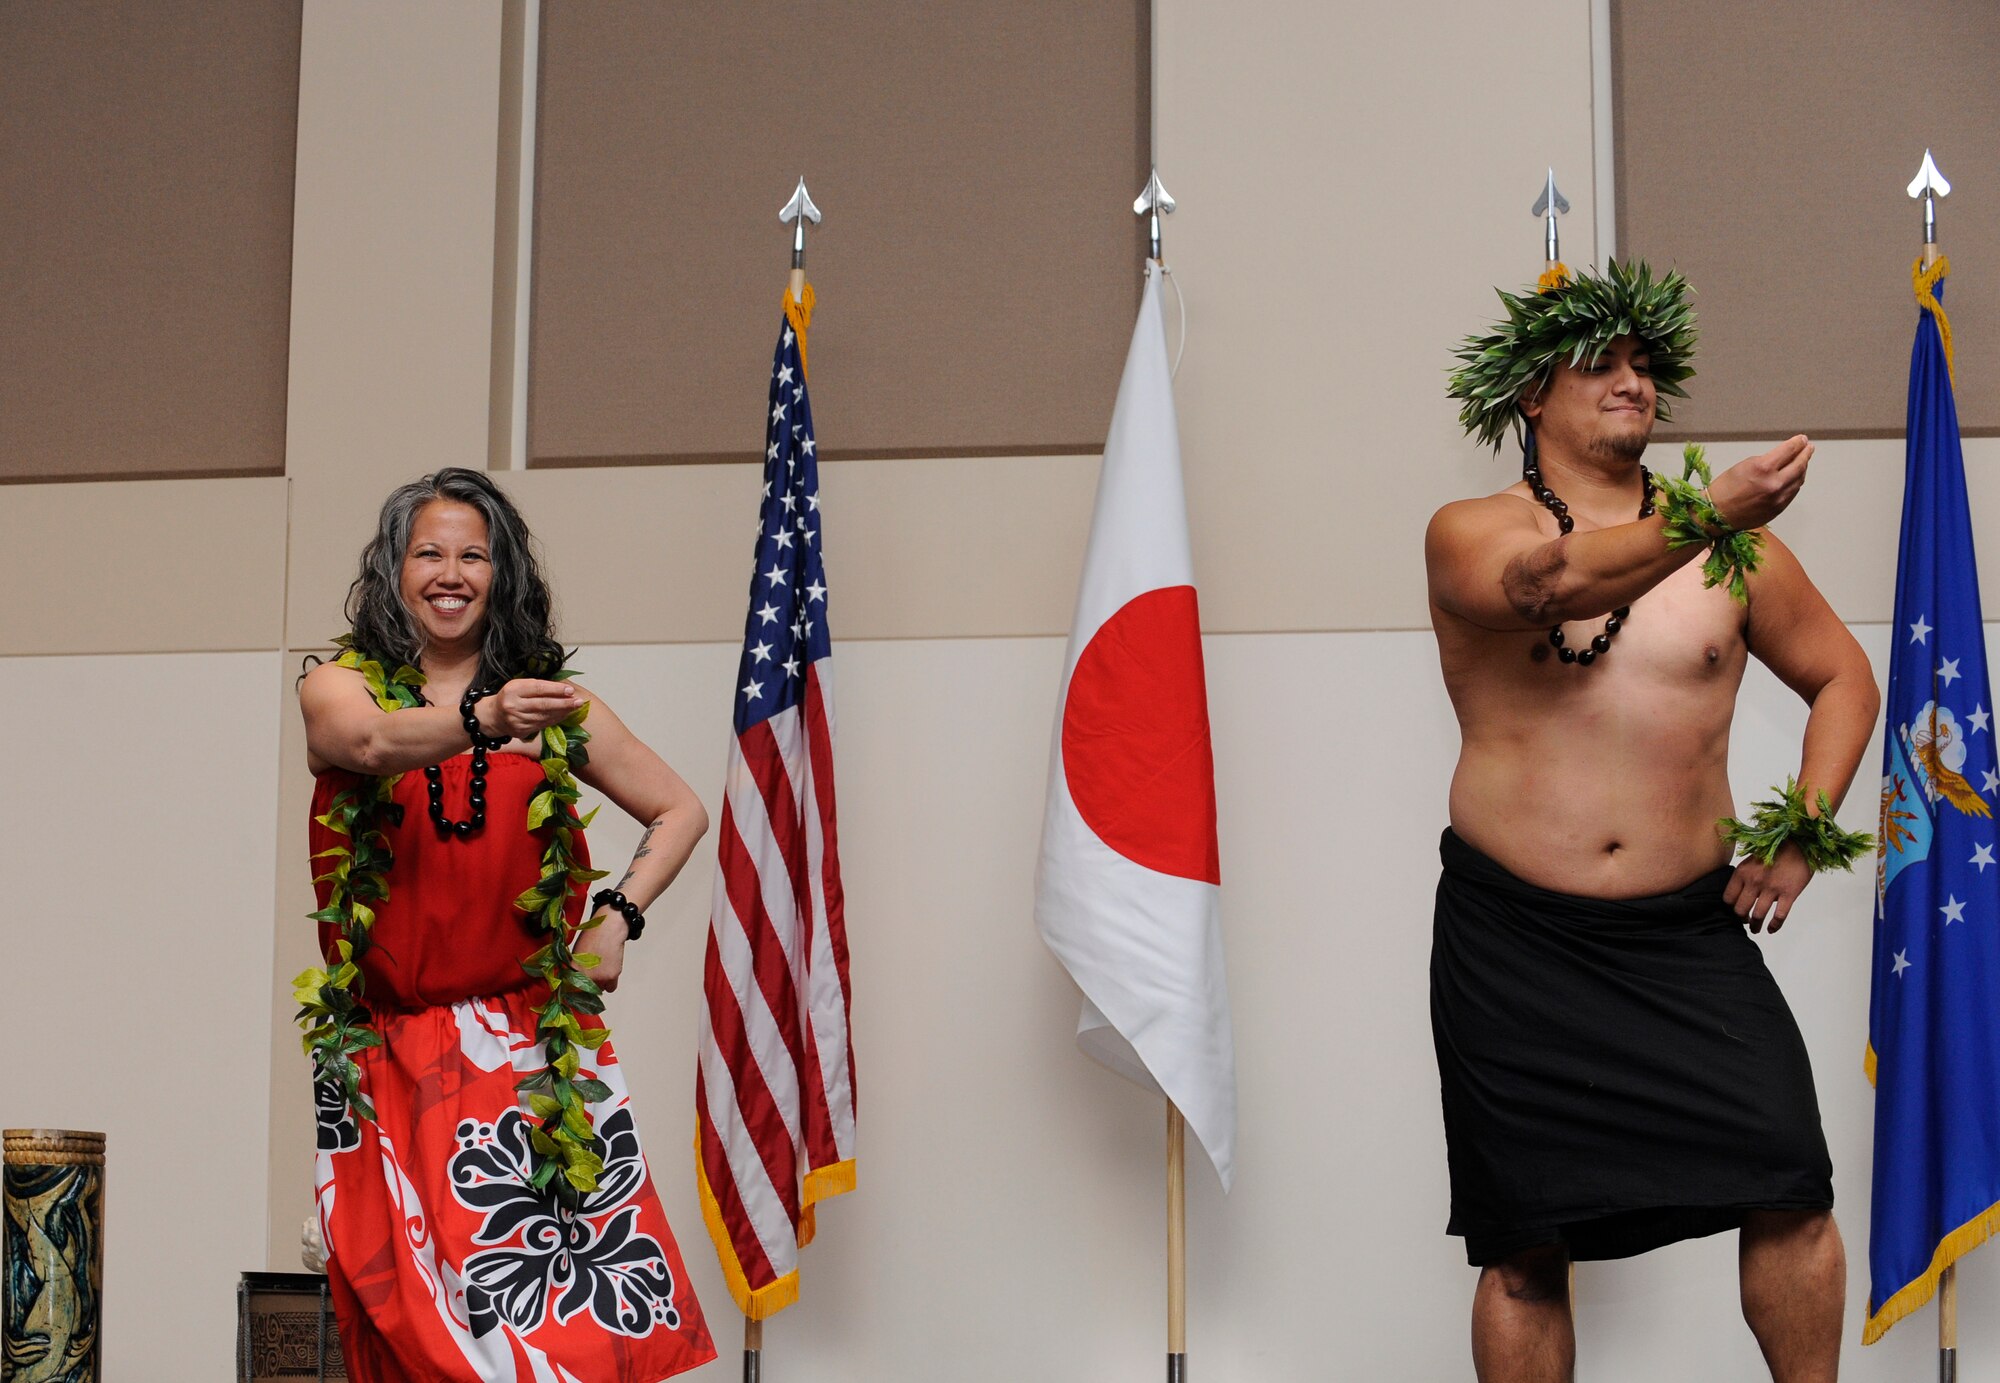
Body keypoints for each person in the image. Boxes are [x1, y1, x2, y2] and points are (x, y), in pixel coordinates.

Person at [1426, 262, 1879, 1383]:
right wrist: (1708, 510)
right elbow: (1549, 588)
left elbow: (1843, 678)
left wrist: (1803, 830)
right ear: (1532, 392)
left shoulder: (1740, 557)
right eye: (1599, 361)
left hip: (1683, 935)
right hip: (1514, 940)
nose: (1630, 380)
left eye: (1643, 363)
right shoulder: (1466, 531)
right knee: (1524, 1249)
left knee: (1786, 1186)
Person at [297, 467, 716, 1382]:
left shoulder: (554, 710)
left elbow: (679, 807)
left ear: (503, 574)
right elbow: (367, 746)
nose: (452, 573)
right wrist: (486, 717)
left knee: (556, 1338)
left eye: (474, 555)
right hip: (385, 1054)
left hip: (531, 1057)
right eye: (429, 553)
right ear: (394, 572)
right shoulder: (340, 687)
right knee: (417, 1333)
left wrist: (617, 913)